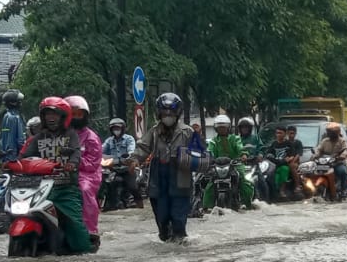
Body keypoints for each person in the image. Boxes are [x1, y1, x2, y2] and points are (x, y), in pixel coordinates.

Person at [24, 97, 94, 253]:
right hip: (41, 189)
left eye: (54, 115)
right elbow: (26, 156)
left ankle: (85, 250)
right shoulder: (38, 138)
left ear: (63, 117)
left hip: (66, 188)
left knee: (74, 223)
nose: (51, 118)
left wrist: (72, 164)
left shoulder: (71, 135)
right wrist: (12, 164)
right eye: (47, 114)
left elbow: (76, 153)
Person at [138, 92, 201, 242]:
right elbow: (142, 148)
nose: (168, 115)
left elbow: (200, 154)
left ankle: (179, 247)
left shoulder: (188, 132)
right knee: (162, 219)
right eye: (164, 111)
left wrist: (188, 158)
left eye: (171, 112)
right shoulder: (153, 132)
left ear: (177, 113)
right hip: (158, 179)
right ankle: (166, 241)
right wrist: (133, 159)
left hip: (180, 178)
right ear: (159, 113)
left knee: (179, 219)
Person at [65, 95, 103, 248]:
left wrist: (74, 160)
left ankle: (90, 229)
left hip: (86, 175)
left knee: (84, 190)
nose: (75, 118)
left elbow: (92, 164)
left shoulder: (91, 138)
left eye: (78, 114)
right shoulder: (57, 135)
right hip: (60, 173)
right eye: (71, 114)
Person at [207, 114, 254, 208]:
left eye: (223, 127)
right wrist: (208, 158)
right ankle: (206, 207)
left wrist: (244, 154)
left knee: (244, 182)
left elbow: (240, 147)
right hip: (218, 167)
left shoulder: (235, 138)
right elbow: (210, 152)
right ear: (216, 128)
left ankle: (248, 205)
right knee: (210, 184)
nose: (222, 129)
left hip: (235, 164)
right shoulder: (213, 141)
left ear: (228, 127)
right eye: (219, 127)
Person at [102, 116, 139, 206]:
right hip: (113, 167)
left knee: (131, 186)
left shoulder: (129, 139)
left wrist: (129, 155)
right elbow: (101, 150)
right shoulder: (109, 141)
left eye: (118, 128)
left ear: (123, 129)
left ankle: (132, 199)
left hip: (126, 167)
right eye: (114, 128)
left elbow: (131, 150)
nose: (116, 130)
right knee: (106, 180)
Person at [313, 121, 347, 198]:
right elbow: (319, 150)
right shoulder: (324, 141)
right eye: (329, 132)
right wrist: (315, 156)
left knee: (343, 172)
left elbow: (345, 150)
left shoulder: (342, 141)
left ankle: (344, 190)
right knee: (312, 171)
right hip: (325, 164)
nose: (330, 134)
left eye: (332, 132)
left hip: (337, 163)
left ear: (337, 132)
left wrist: (342, 156)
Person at [276, 123, 305, 199]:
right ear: (287, 133)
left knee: (292, 167)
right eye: (289, 133)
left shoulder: (298, 143)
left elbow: (298, 154)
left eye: (292, 133)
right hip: (284, 161)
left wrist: (292, 160)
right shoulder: (284, 142)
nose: (291, 135)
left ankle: (297, 185)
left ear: (295, 133)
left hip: (294, 162)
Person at [0, 89, 27, 158]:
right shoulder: (15, 117)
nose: (21, 103)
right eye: (19, 101)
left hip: (6, 155)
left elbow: (2, 137)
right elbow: (20, 139)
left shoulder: (6, 116)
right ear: (13, 102)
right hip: (15, 156)